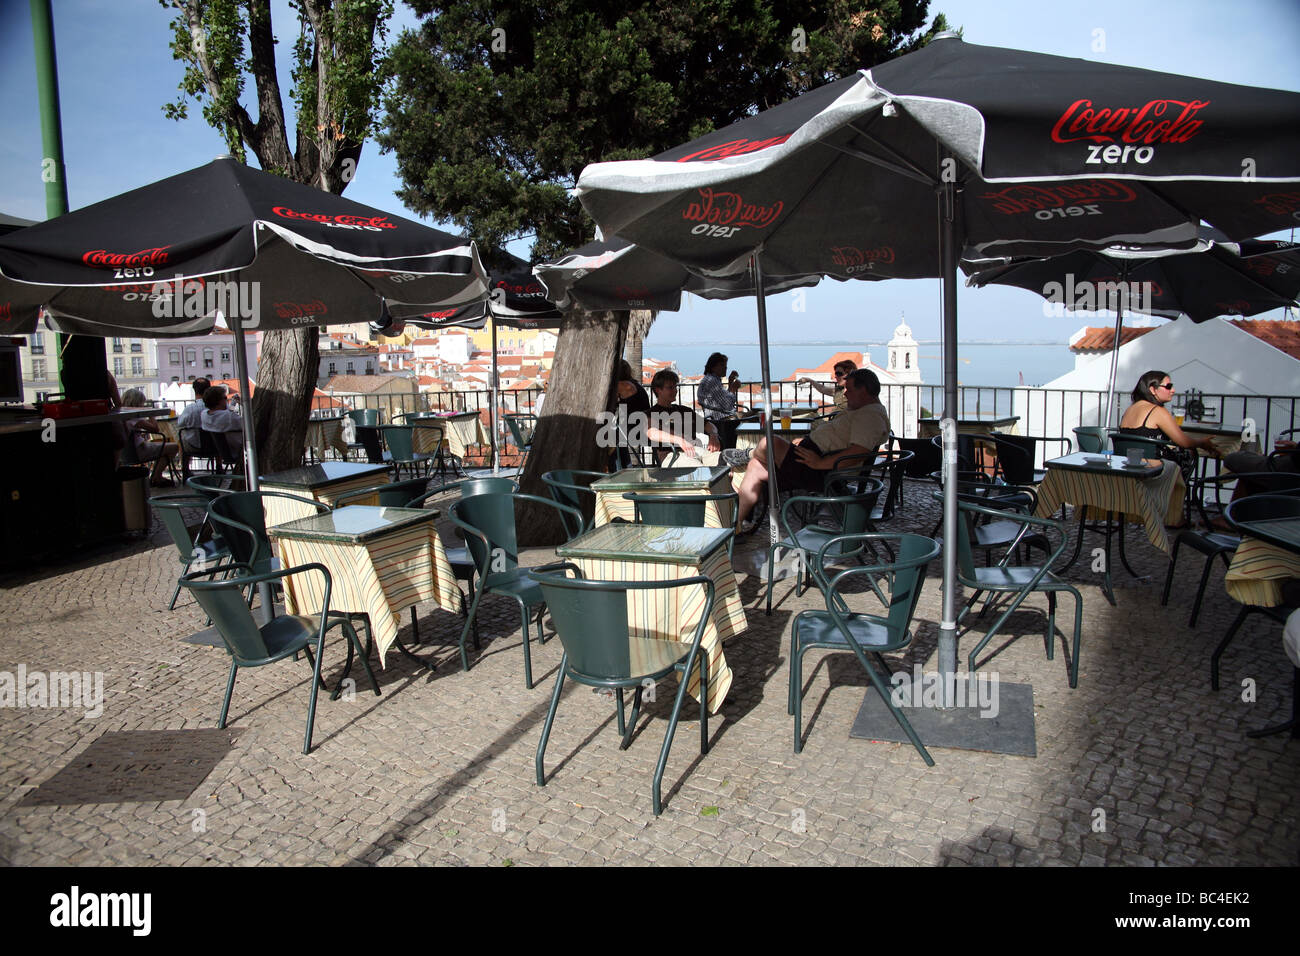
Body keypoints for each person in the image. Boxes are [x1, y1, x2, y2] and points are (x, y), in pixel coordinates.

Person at [734, 368, 890, 532]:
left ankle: (747, 453)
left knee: (769, 443)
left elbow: (858, 452)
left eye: (849, 390)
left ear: (864, 390)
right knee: (755, 467)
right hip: (814, 463)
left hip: (821, 472)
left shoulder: (870, 416)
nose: (845, 394)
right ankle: (734, 527)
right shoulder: (864, 411)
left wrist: (820, 463)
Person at [645, 368, 720, 463]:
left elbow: (708, 425)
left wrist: (713, 435)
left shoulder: (685, 410)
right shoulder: (651, 414)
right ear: (658, 390)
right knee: (695, 466)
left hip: (696, 451)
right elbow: (652, 433)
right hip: (671, 455)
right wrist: (679, 440)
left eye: (675, 387)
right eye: (670, 388)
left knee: (724, 460)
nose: (675, 391)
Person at [121, 388, 180, 487]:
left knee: (163, 448)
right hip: (139, 451)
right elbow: (155, 429)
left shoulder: (122, 415)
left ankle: (156, 476)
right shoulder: (135, 418)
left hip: (126, 453)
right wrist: (151, 414)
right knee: (174, 447)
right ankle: (157, 477)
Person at [698, 352, 747, 449]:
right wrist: (733, 388)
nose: (725, 368)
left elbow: (724, 400)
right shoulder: (712, 382)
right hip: (722, 420)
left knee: (751, 415)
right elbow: (728, 404)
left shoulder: (711, 379)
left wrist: (730, 383)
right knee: (753, 416)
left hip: (721, 416)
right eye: (721, 365)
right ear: (712, 367)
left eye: (725, 365)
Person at [610, 359, 650, 470]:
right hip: (639, 426)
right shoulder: (633, 384)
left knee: (607, 437)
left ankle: (616, 469)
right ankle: (624, 466)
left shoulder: (623, 385)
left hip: (636, 429)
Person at [201, 385, 244, 457]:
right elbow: (250, 424)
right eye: (225, 398)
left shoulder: (204, 415)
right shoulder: (229, 417)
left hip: (224, 452)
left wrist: (233, 403)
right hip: (240, 450)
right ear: (219, 401)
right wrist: (244, 404)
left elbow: (225, 415)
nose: (226, 400)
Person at [176, 377, 210, 455]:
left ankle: (185, 466)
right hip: (216, 447)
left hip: (194, 446)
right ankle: (218, 465)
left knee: (181, 440)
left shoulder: (189, 409)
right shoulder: (217, 407)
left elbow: (180, 424)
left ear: (194, 390)